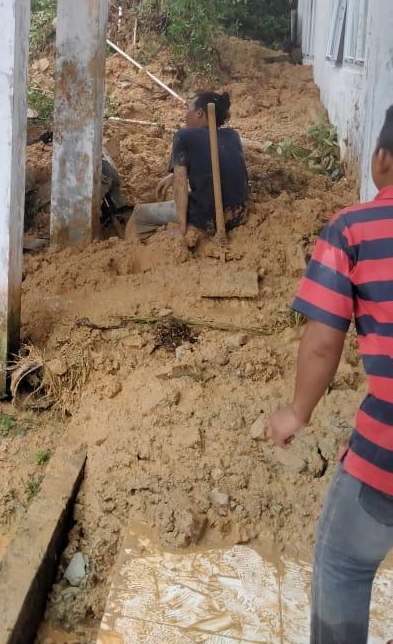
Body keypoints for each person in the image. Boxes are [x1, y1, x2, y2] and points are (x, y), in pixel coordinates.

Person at [268, 105, 393, 644]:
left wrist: (297, 411)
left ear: (381, 158)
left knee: (343, 562)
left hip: (386, 446)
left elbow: (322, 342)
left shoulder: (352, 231)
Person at [132, 91, 248, 237]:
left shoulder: (184, 135)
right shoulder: (232, 135)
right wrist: (173, 175)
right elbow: (215, 164)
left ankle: (131, 252)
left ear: (199, 113)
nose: (185, 115)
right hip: (239, 215)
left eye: (188, 108)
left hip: (208, 219)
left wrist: (182, 227)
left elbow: (180, 187)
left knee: (138, 215)